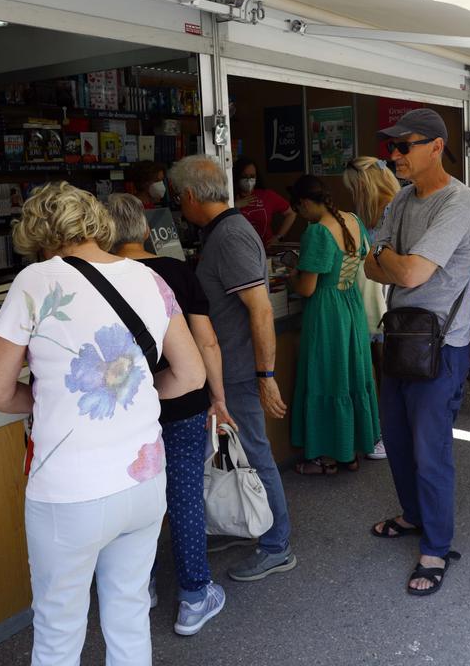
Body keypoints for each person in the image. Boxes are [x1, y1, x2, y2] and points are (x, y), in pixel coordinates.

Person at [0, 181, 206, 665]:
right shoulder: (151, 279)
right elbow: (190, 375)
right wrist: (134, 395)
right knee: (127, 616)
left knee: (59, 630)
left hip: (69, 491)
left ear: (37, 231)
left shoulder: (35, 282)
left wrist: (47, 403)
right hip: (143, 479)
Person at [105, 192, 232, 636]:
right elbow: (207, 341)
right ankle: (195, 596)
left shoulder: (96, 279)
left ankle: (142, 589)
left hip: (128, 409)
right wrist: (218, 398)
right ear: (145, 229)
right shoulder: (178, 272)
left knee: (133, 501)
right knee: (183, 496)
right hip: (184, 402)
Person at [364, 108, 470, 596]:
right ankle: (414, 516)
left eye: (403, 146)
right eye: (392, 147)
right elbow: (371, 266)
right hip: (400, 337)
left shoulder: (458, 200)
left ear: (435, 146)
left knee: (431, 452)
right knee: (398, 438)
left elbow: (407, 274)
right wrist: (395, 260)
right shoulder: (404, 198)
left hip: (441, 344)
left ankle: (436, 546)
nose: (395, 155)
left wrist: (392, 259)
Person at [167, 155, 297, 581]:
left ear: (188, 195)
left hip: (240, 369)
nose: (176, 205)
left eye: (175, 197)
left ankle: (277, 544)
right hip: (230, 368)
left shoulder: (231, 236)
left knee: (255, 454)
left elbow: (259, 309)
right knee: (232, 453)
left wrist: (265, 375)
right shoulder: (223, 232)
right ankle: (246, 524)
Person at [285, 175, 380, 474]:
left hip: (326, 310)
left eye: (299, 210)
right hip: (350, 303)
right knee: (349, 375)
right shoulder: (352, 219)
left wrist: (291, 274)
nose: (301, 216)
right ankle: (349, 449)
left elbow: (307, 288)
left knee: (326, 377)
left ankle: (329, 455)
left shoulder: (317, 233)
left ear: (304, 203)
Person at [343, 155, 404, 460]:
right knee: (379, 368)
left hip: (384, 297)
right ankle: (382, 430)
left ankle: (387, 433)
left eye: (353, 186)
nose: (351, 192)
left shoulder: (392, 208)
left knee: (385, 370)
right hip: (371, 295)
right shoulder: (369, 211)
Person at [233, 157, 297, 247]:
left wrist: (279, 237)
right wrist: (235, 206)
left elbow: (291, 214)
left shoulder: (267, 195)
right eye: (244, 176)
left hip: (266, 250)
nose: (248, 180)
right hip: (240, 250)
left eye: (252, 176)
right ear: (236, 177)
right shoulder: (229, 197)